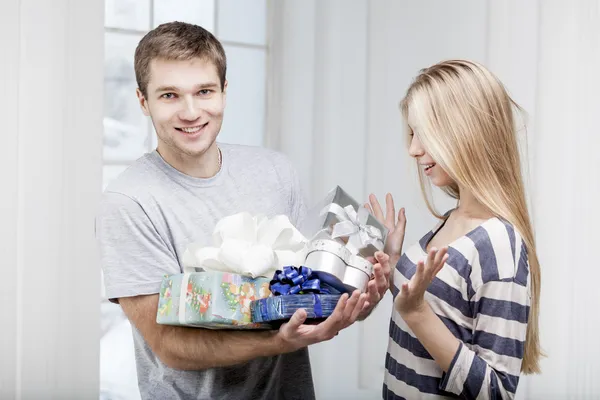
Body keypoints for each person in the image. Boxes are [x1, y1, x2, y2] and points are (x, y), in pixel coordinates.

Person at [96, 21, 391, 400]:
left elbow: (311, 304)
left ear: (224, 91)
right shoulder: (128, 202)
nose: (190, 112)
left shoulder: (275, 171)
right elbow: (168, 344)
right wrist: (277, 344)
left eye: (204, 91)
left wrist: (364, 288)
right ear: (143, 101)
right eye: (169, 95)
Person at [367, 60, 542, 399]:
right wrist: (394, 267)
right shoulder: (452, 218)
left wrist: (417, 313)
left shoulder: (500, 245)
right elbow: (444, 311)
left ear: (466, 130)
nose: (413, 149)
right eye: (412, 133)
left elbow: (498, 392)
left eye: (424, 133)